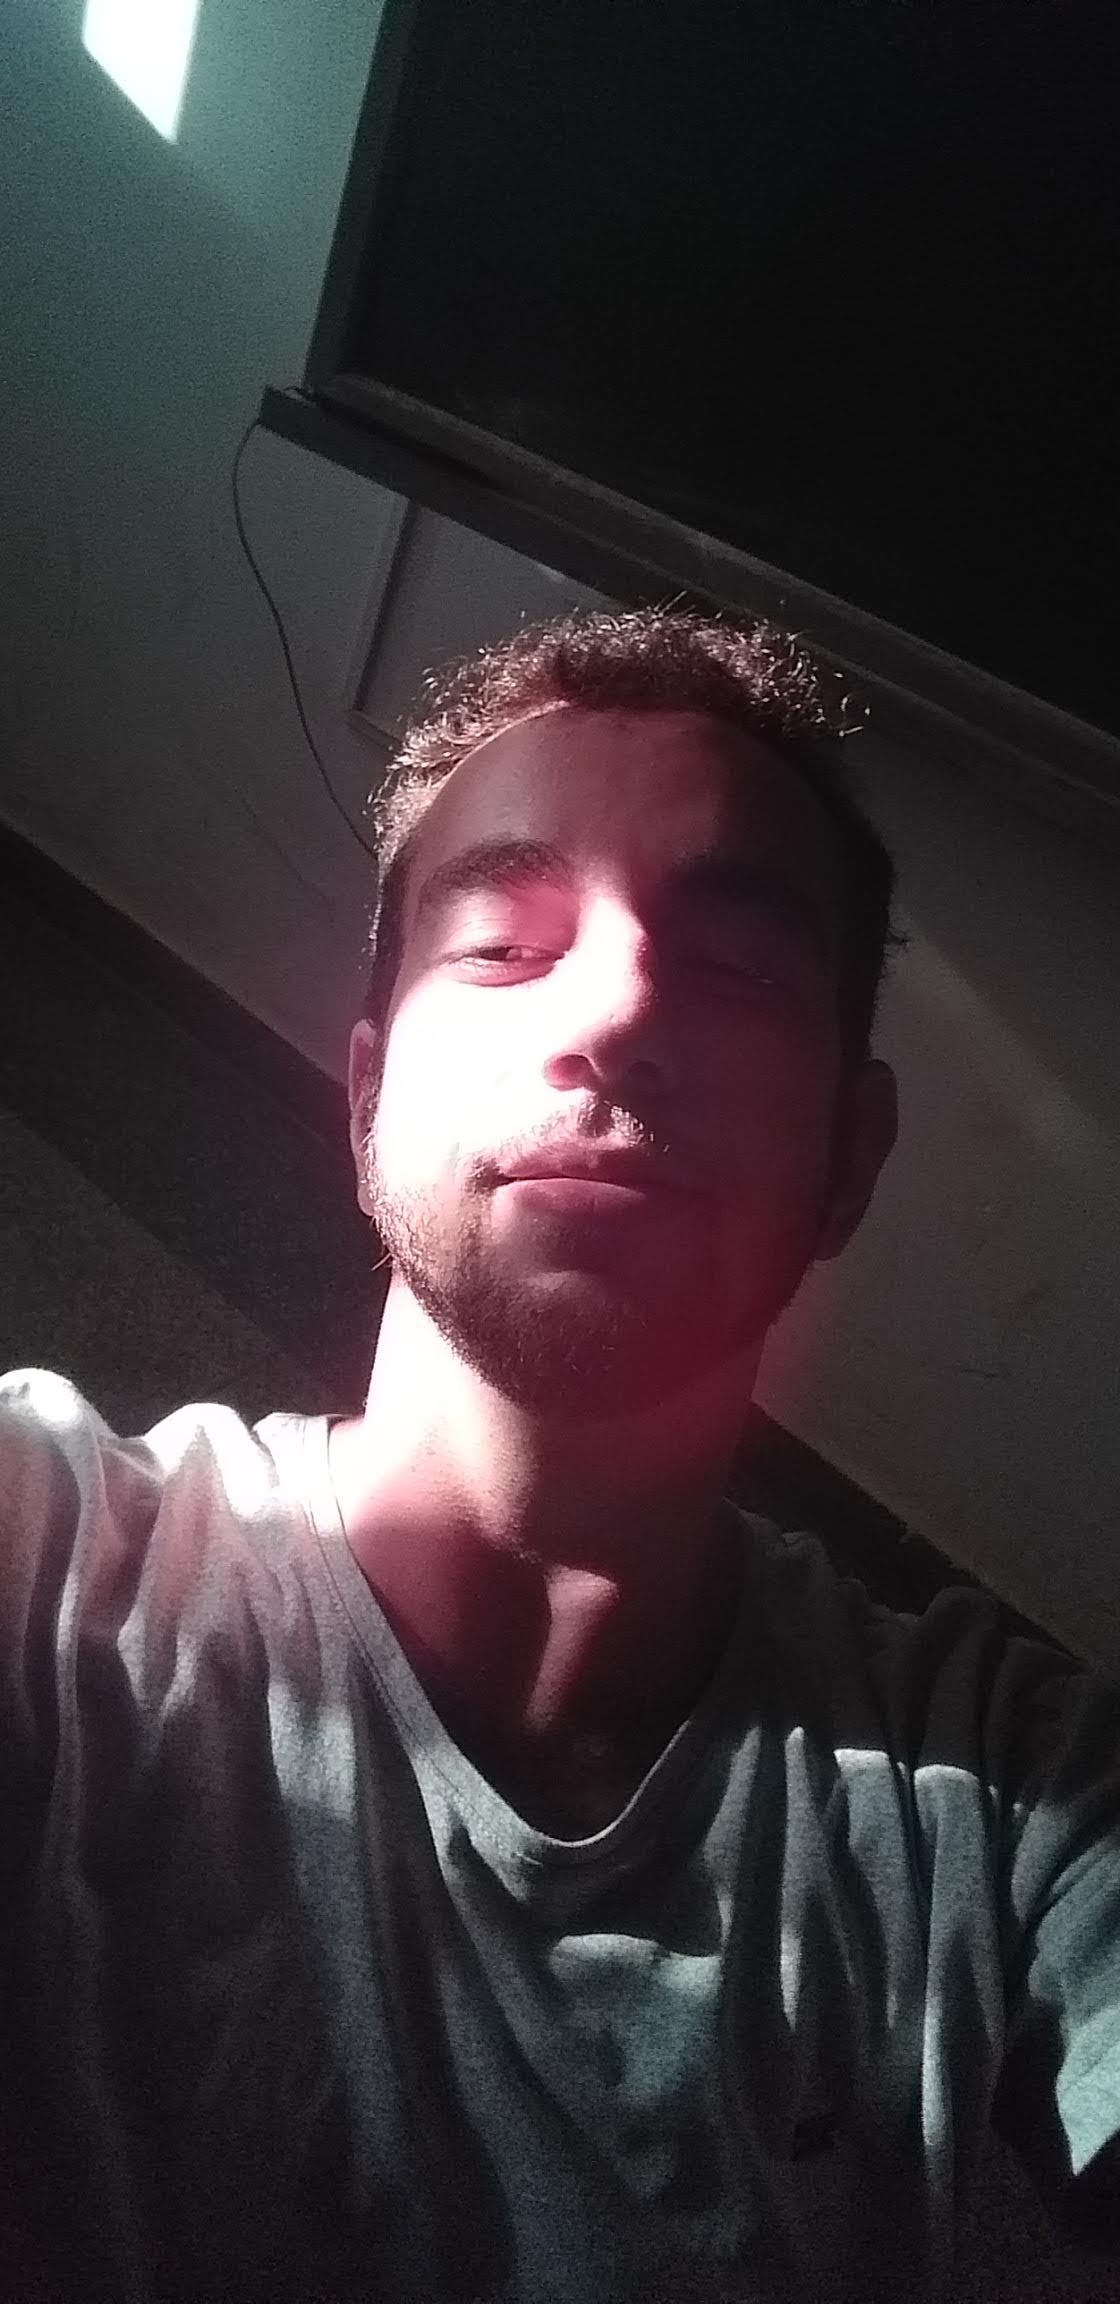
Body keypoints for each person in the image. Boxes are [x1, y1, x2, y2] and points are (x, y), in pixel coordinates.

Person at [1, 606, 1118, 2303]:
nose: (621, 1007)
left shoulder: (1016, 1790)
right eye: (502, 944)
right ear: (364, 1099)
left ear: (851, 1153)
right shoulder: (46, 1555)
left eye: (735, 966)